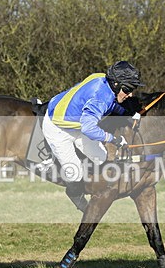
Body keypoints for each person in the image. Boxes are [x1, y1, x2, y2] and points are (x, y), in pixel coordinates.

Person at [42, 61, 145, 211]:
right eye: (128, 89)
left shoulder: (102, 79)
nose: (130, 94)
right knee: (75, 172)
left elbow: (111, 103)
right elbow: (89, 128)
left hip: (75, 122)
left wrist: (128, 114)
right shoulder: (99, 98)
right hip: (57, 128)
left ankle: (93, 184)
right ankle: (75, 196)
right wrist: (114, 139)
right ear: (116, 84)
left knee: (101, 156)